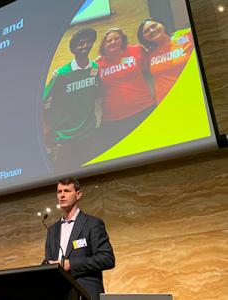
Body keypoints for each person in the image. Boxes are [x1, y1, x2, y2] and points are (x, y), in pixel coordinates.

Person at [44, 177, 115, 300]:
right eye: (59, 191)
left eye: (66, 191)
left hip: (86, 293)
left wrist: (70, 264)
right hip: (58, 293)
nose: (62, 195)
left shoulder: (92, 224)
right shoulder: (52, 230)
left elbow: (107, 258)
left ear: (78, 195)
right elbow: (49, 260)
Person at [43, 28, 102, 171]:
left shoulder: (94, 68)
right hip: (64, 135)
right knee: (65, 174)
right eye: (81, 44)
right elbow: (42, 101)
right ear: (73, 49)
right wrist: (46, 128)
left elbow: (97, 92)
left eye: (88, 42)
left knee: (90, 171)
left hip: (88, 131)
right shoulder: (61, 74)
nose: (85, 46)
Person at [95, 28, 155, 153]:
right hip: (113, 119)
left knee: (151, 148)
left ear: (122, 40)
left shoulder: (136, 50)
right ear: (103, 45)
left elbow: (152, 67)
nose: (113, 42)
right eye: (109, 40)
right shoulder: (97, 64)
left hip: (143, 109)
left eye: (116, 38)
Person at [137, 18, 194, 104]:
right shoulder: (148, 54)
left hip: (192, 94)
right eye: (146, 31)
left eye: (154, 26)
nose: (152, 30)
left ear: (162, 25)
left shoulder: (184, 37)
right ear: (144, 38)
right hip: (165, 102)